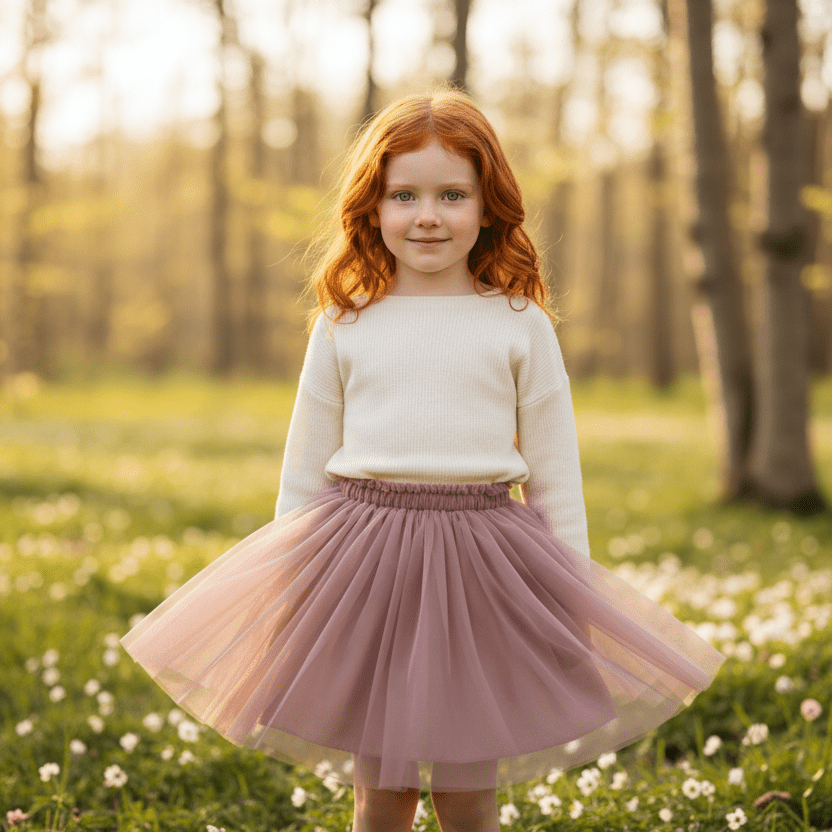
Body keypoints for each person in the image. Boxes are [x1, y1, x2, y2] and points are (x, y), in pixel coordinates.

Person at [121, 89, 725, 832]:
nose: (427, 215)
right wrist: (288, 586)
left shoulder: (518, 323)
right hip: (366, 558)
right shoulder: (346, 323)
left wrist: (570, 591)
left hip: (482, 561)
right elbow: (304, 469)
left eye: (451, 194)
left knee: (467, 788)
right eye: (403, 195)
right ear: (372, 207)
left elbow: (554, 471)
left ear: (488, 205)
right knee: (384, 790)